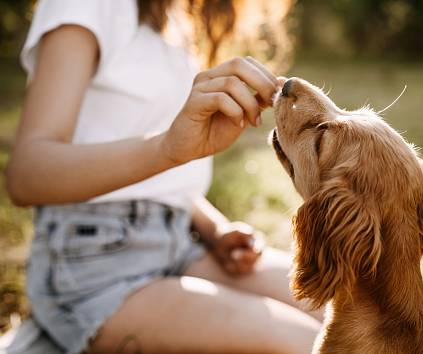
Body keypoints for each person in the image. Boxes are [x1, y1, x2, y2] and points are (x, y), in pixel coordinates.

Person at [4, 1, 322, 353]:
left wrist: (212, 229)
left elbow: (154, 182)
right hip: (93, 268)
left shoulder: (176, 15)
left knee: (359, 312)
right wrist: (167, 147)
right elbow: (27, 174)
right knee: (308, 344)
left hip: (181, 244)